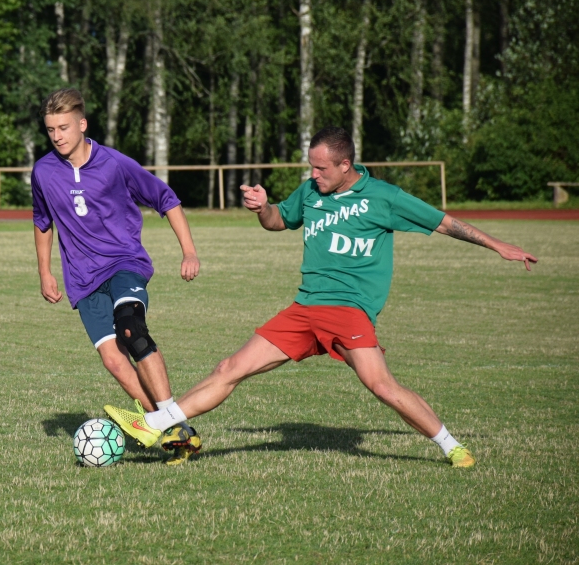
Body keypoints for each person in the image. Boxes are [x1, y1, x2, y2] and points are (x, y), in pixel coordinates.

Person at [105, 126, 538, 468]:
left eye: (321, 168)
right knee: (229, 368)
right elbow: (279, 221)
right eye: (311, 167)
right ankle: (155, 424)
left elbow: (443, 222)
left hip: (348, 311)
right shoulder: (312, 192)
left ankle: (450, 445)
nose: (313, 175)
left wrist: (497, 245)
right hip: (304, 308)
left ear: (345, 165)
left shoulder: (384, 197)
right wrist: (263, 207)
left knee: (382, 386)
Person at [32, 88, 203, 465]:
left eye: (63, 127)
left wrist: (189, 251)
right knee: (112, 360)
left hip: (124, 263)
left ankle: (172, 421)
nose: (57, 136)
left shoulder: (114, 164)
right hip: (82, 279)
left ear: (82, 124)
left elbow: (167, 199)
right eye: (50, 130)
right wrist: (44, 271)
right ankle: (168, 428)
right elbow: (42, 221)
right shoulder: (43, 171)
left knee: (131, 328)